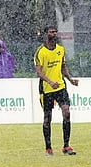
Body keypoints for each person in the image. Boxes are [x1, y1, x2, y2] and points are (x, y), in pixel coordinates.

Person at [34, 25, 79, 156]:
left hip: (60, 86)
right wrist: (50, 82)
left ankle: (66, 146)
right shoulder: (40, 52)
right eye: (51, 32)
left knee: (66, 112)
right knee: (47, 118)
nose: (54, 34)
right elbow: (39, 72)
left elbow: (63, 67)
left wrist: (70, 80)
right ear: (45, 34)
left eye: (55, 32)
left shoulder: (60, 49)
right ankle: (48, 148)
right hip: (46, 89)